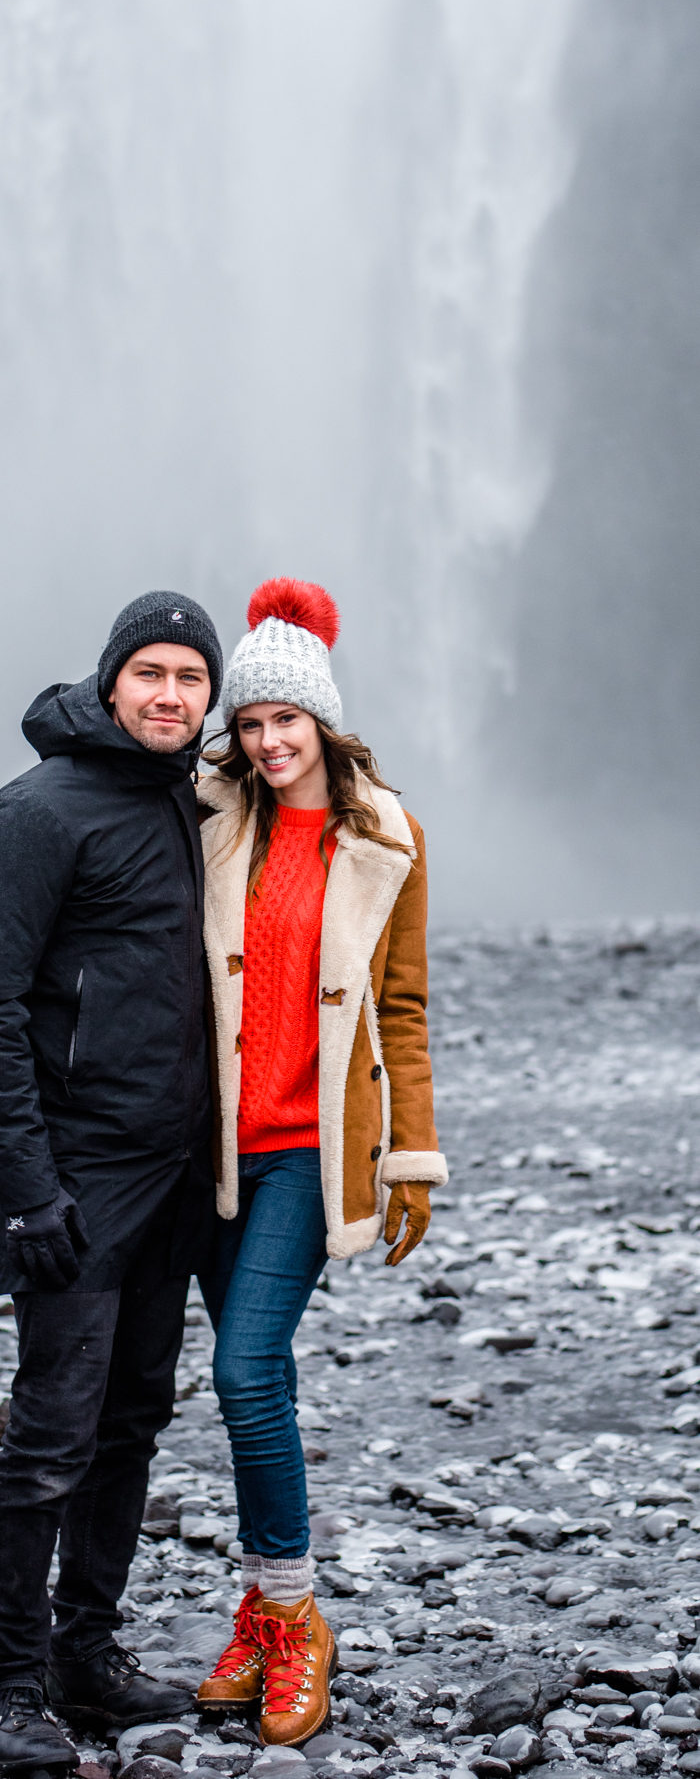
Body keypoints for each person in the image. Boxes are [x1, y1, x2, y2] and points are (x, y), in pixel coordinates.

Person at [194, 577, 447, 1749]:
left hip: (306, 1150)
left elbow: (401, 1007)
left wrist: (411, 1159)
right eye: (248, 723)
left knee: (244, 1373)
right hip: (206, 1152)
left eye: (283, 718)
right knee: (265, 1386)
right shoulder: (209, 819)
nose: (266, 739)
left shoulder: (387, 835)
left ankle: (296, 1620)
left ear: (322, 720)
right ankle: (263, 1601)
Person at [0, 591, 223, 1772]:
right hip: (76, 1182)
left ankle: (85, 1653)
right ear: (111, 679)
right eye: (152, 673)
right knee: (49, 1434)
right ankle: (8, 1685)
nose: (172, 697)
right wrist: (27, 1185)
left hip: (174, 1176)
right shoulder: (41, 812)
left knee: (132, 1420)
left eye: (192, 678)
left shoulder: (192, 802)